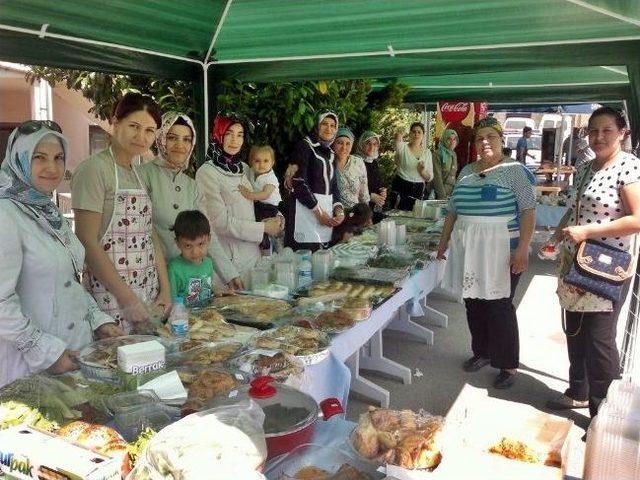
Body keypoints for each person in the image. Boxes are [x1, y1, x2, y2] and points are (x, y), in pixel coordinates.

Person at [0, 122, 122, 387]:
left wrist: (99, 321)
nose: (52, 168)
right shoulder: (5, 215)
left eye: (58, 158)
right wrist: (46, 353)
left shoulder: (50, 212)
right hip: (30, 368)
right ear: (18, 159)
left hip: (73, 353)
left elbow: (69, 281)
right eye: (39, 157)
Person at [544, 107, 640, 416]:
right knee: (575, 331)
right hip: (575, 263)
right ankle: (579, 391)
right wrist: (556, 237)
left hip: (607, 266)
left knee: (600, 341)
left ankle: (604, 414)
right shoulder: (585, 167)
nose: (598, 137)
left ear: (622, 133)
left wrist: (590, 231)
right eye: (593, 131)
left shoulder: (629, 167)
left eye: (606, 130)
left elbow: (638, 219)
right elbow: (572, 209)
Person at [438, 117, 536, 389]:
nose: (484, 142)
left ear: (501, 140)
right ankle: (481, 352)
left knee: (499, 304)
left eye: (490, 137)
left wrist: (523, 249)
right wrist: (443, 243)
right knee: (473, 300)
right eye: (480, 138)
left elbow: (528, 212)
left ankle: (507, 364)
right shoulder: (467, 170)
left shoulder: (515, 170)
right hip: (468, 246)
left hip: (502, 246)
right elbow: (452, 211)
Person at [72, 93, 171, 334]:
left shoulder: (137, 172)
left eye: (149, 130)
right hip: (111, 296)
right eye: (134, 127)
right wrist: (126, 298)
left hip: (147, 292)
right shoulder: (94, 169)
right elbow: (87, 242)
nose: (141, 137)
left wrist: (165, 289)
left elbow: (150, 234)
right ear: (115, 123)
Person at [139, 112, 243, 290]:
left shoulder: (191, 186)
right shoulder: (142, 176)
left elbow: (206, 232)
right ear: (161, 138)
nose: (180, 145)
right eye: (172, 138)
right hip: (149, 278)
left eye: (187, 139)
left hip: (186, 279)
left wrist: (229, 274)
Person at [196, 115, 283, 283]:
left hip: (255, 259)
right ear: (218, 134)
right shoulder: (207, 173)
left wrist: (278, 218)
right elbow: (219, 223)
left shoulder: (244, 168)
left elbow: (263, 198)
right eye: (229, 133)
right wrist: (263, 228)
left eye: (240, 134)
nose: (235, 140)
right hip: (230, 261)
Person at [284, 112, 345, 252]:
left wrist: (339, 210)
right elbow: (298, 181)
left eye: (333, 125)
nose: (329, 129)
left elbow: (334, 186)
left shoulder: (332, 154)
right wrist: (318, 212)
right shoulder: (304, 146)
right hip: (304, 215)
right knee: (302, 263)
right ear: (317, 126)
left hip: (325, 218)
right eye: (324, 124)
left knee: (321, 261)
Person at [238, 145, 282, 255]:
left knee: (261, 225)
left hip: (269, 206)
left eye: (266, 161)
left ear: (272, 163)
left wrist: (248, 194)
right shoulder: (251, 172)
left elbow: (265, 194)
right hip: (259, 204)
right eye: (257, 161)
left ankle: (266, 248)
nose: (261, 164)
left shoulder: (270, 178)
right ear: (251, 162)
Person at [168, 210, 214, 307]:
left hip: (208, 317)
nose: (195, 252)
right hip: (185, 319)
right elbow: (171, 302)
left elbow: (208, 291)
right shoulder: (174, 269)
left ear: (209, 239)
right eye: (188, 246)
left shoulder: (208, 263)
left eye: (200, 244)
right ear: (178, 243)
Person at [391, 122, 433, 211]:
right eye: (414, 131)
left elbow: (429, 177)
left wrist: (422, 172)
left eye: (419, 132)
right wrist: (399, 135)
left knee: (415, 219)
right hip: (401, 186)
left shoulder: (427, 152)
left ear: (423, 135)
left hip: (418, 189)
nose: (416, 134)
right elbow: (396, 143)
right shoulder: (403, 147)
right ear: (409, 133)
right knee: (398, 217)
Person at [333, 127, 370, 210]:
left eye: (348, 144)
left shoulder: (358, 162)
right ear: (333, 143)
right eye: (340, 143)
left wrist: (367, 215)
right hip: (333, 214)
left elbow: (364, 194)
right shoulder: (327, 162)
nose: (344, 147)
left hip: (355, 214)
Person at [355, 130, 387, 223]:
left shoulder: (373, 162)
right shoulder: (355, 161)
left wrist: (383, 191)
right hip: (361, 211)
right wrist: (370, 196)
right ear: (361, 144)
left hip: (373, 210)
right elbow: (352, 186)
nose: (372, 147)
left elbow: (377, 182)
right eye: (368, 143)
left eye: (375, 144)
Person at [432, 128, 459, 199]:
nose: (452, 142)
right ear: (444, 139)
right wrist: (442, 196)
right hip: (439, 193)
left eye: (454, 139)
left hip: (451, 193)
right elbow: (437, 177)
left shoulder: (453, 154)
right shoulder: (437, 154)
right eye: (449, 139)